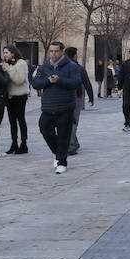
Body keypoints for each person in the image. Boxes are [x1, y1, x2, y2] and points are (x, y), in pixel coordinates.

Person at [31, 42, 81, 174]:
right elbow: (35, 83)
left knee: (64, 135)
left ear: (62, 52)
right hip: (48, 106)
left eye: (56, 51)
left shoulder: (71, 66)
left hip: (65, 106)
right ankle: (57, 152)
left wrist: (60, 80)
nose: (53, 54)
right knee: (45, 129)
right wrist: (48, 80)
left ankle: (62, 162)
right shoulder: (44, 67)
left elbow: (76, 83)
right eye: (51, 51)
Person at [2, 45, 29, 154]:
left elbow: (19, 80)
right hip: (10, 96)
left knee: (20, 120)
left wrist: (8, 69)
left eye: (7, 52)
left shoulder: (21, 63)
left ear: (13, 53)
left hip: (20, 96)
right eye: (4, 53)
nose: (5, 55)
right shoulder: (8, 64)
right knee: (12, 122)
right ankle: (14, 143)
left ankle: (23, 144)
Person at [65, 47, 93, 154]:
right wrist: (90, 97)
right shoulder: (79, 68)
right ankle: (71, 145)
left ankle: (74, 143)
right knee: (74, 121)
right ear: (75, 55)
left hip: (64, 98)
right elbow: (87, 83)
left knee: (68, 121)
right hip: (76, 97)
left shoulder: (61, 67)